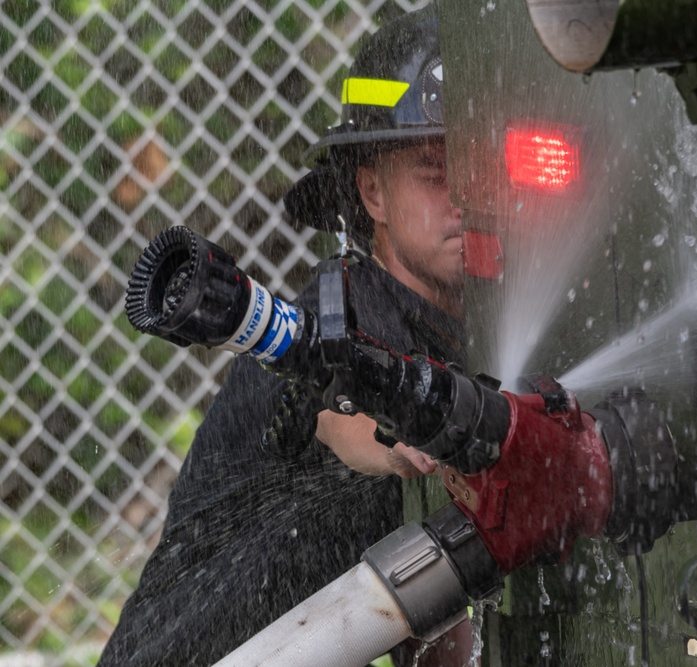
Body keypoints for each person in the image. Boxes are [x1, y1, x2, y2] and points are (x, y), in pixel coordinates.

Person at [99, 6, 474, 665]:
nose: (464, 197)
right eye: (434, 172)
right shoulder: (331, 324)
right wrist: (394, 434)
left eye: (477, 167)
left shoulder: (471, 333)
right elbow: (336, 415)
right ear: (372, 192)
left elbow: (440, 617)